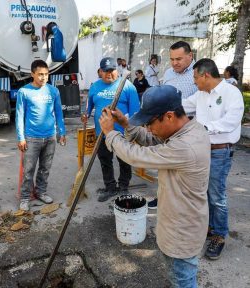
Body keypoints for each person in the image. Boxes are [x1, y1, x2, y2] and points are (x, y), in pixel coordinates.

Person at [99, 85, 210, 287]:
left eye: (150, 122)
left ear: (168, 116)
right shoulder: (189, 129)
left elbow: (137, 155)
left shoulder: (185, 146)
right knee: (178, 278)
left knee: (182, 281)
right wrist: (125, 124)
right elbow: (153, 139)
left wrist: (110, 133)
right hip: (179, 223)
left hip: (182, 232)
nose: (148, 128)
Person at [182, 58, 244, 260]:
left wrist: (204, 128)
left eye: (195, 77)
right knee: (202, 191)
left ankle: (219, 235)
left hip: (220, 151)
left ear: (205, 75)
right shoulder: (200, 94)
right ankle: (209, 227)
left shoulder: (231, 93)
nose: (194, 82)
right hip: (201, 150)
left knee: (217, 196)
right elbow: (183, 106)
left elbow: (231, 122)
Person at [82, 57, 140, 202]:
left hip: (123, 133)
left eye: (111, 71)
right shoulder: (95, 86)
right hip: (101, 132)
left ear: (117, 70)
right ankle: (110, 187)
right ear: (100, 71)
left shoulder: (127, 86)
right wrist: (85, 114)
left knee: (124, 160)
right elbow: (88, 107)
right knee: (105, 161)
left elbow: (135, 113)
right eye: (105, 71)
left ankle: (124, 187)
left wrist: (134, 130)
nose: (108, 74)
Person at [148, 40, 197, 209]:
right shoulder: (169, 73)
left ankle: (184, 205)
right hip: (168, 129)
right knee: (165, 169)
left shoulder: (198, 74)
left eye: (179, 59)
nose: (175, 63)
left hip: (188, 131)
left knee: (186, 174)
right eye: (172, 59)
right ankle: (161, 197)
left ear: (190, 56)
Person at [16, 59, 66, 211]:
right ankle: (25, 198)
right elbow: (19, 115)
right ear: (32, 74)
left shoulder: (53, 91)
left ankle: (41, 192)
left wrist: (61, 132)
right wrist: (21, 137)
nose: (43, 78)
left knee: (45, 168)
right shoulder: (24, 92)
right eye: (40, 75)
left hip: (50, 137)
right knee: (28, 170)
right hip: (31, 138)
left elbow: (58, 112)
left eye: (46, 74)